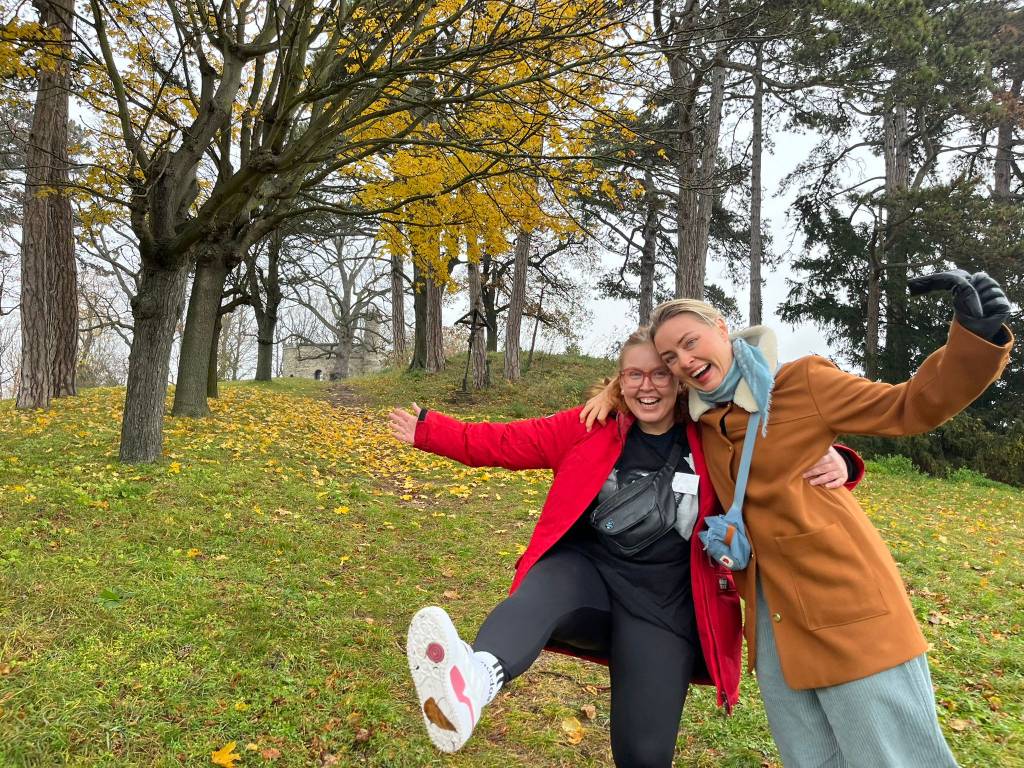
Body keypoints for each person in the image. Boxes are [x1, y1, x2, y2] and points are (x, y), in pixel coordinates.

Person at [581, 270, 1013, 768]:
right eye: (672, 358)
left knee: (892, 757)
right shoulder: (699, 419)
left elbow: (908, 406)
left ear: (721, 328)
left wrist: (973, 340)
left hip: (845, 602)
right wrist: (610, 393)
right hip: (773, 618)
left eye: (690, 343)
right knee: (811, 759)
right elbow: (643, 395)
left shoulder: (801, 382)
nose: (684, 361)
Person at [389, 328, 863, 767]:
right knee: (543, 589)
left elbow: (777, 461)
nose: (647, 386)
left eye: (660, 374)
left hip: (664, 609)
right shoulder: (591, 426)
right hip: (587, 579)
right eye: (634, 374)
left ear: (679, 382)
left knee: (644, 753)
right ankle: (473, 681)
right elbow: (507, 441)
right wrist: (428, 430)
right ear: (619, 382)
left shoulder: (712, 438)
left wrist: (841, 462)